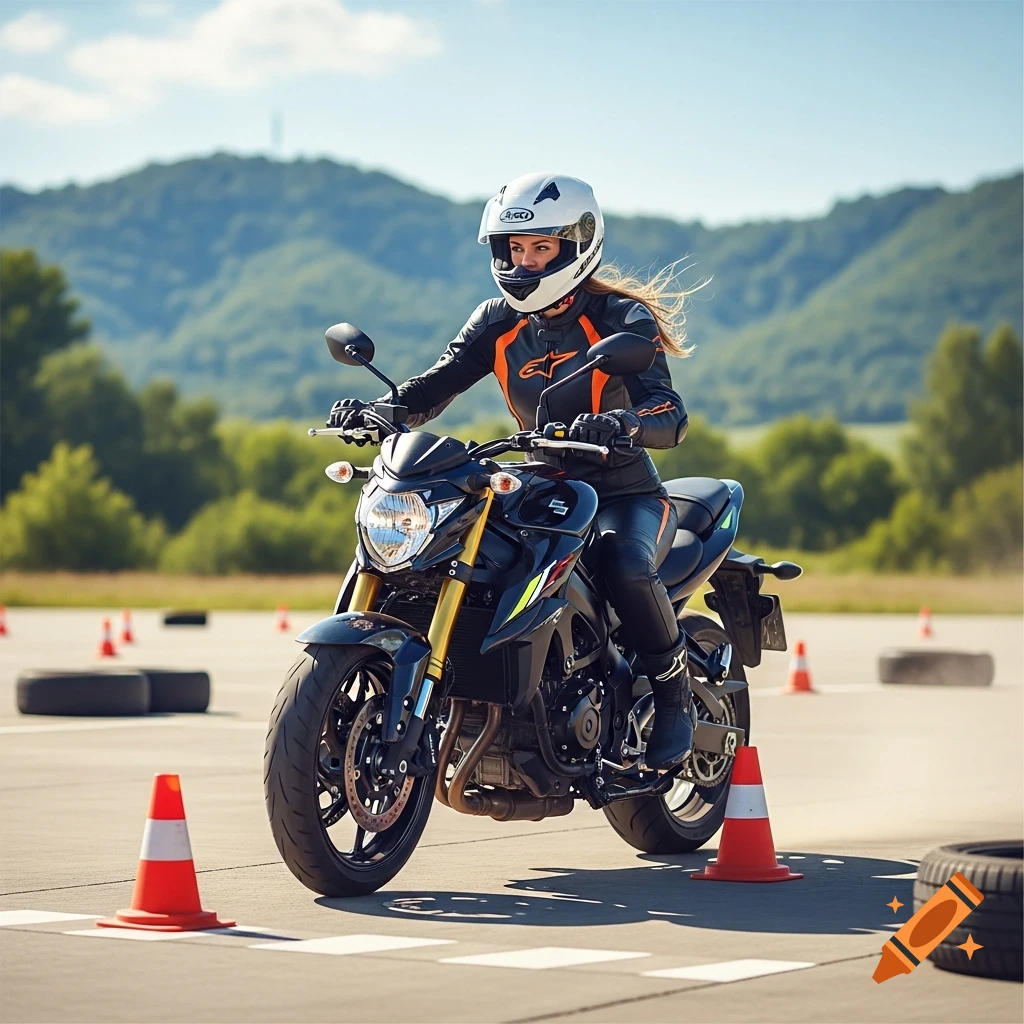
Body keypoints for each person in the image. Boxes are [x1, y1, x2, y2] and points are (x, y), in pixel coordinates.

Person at [329, 171, 698, 769]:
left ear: (576, 245)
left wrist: (624, 425)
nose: (525, 262)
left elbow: (669, 413)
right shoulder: (497, 321)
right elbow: (433, 385)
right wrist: (379, 411)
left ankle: (671, 692)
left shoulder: (620, 319)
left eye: (541, 248)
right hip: (539, 485)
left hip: (622, 491)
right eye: (515, 248)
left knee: (624, 564)